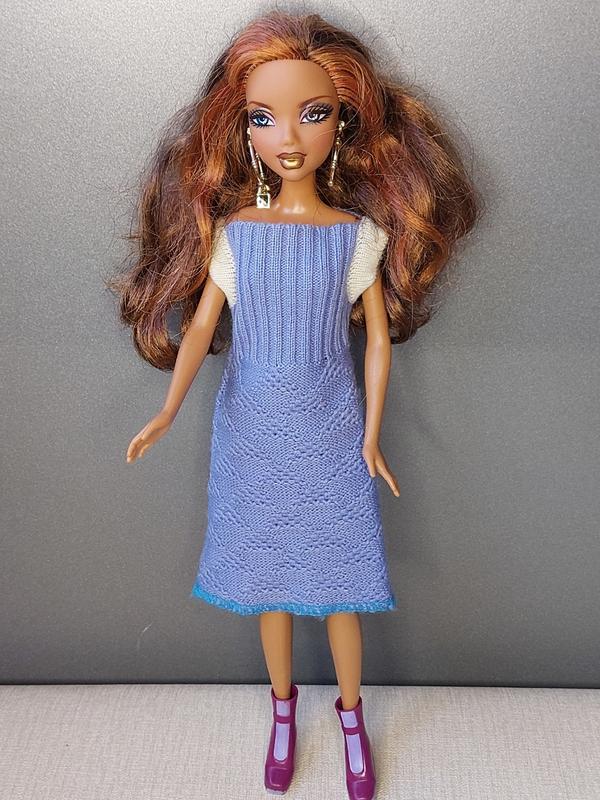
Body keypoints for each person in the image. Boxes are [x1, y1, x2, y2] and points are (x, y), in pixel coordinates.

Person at [109, 11, 479, 799]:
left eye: (312, 113)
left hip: (331, 430)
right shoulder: (236, 234)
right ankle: (283, 711)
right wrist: (168, 410)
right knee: (267, 584)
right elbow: (202, 324)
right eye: (264, 117)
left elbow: (376, 343)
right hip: (252, 429)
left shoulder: (356, 236)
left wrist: (371, 436)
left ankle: (350, 717)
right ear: (243, 130)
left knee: (341, 586)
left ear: (341, 122)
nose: (288, 136)